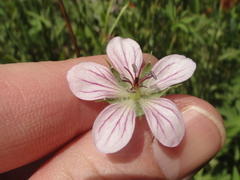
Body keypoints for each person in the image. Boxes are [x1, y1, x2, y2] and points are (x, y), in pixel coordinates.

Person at [0, 54, 226, 180]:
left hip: (148, 101)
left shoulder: (156, 92)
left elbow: (173, 134)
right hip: (125, 104)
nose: (136, 84)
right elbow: (82, 79)